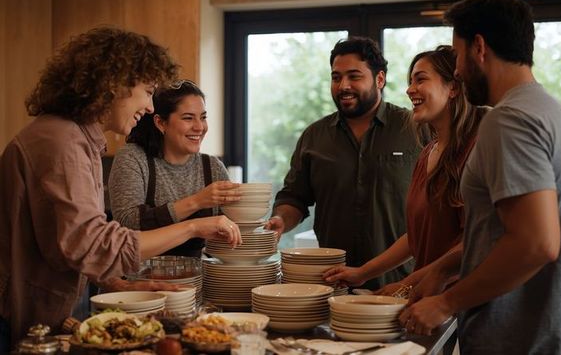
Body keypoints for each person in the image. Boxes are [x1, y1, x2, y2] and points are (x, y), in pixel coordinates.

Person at [0, 27, 242, 350]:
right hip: (17, 320)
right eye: (146, 91)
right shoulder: (63, 143)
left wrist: (123, 284)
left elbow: (69, 240)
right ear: (113, 84)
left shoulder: (76, 138)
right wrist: (195, 225)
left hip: (44, 315)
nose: (151, 106)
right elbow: (93, 243)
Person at [399, 0, 561, 354]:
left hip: (527, 343)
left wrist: (446, 303)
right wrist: (443, 267)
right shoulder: (553, 112)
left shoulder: (508, 120)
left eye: (458, 55)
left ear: (479, 47)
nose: (458, 71)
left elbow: (536, 243)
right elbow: (505, 232)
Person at [265, 36, 427, 290]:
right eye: (336, 77)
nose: (343, 86)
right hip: (332, 283)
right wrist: (281, 221)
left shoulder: (416, 130)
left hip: (402, 285)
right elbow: (294, 197)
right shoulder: (314, 136)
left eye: (354, 76)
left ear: (380, 79)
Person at [323, 46, 485, 296]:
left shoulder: (477, 150)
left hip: (459, 302)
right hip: (426, 300)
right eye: (410, 81)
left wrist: (405, 284)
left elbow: (474, 243)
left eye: (420, 79)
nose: (410, 90)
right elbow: (416, 236)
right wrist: (362, 273)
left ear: (453, 87)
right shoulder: (427, 153)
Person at [109, 79, 240, 258]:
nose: (199, 127)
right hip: (140, 279)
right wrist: (197, 201)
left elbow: (232, 228)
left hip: (197, 279)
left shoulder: (213, 167)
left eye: (203, 117)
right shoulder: (133, 158)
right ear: (161, 123)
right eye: (188, 118)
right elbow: (128, 223)